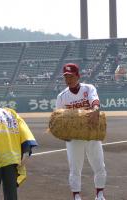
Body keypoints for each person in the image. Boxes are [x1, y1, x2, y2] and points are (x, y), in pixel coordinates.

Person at [55, 63, 107, 200]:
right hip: (74, 138)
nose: (68, 79)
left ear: (78, 76)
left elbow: (94, 100)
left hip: (91, 134)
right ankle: (76, 195)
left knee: (99, 165)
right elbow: (58, 116)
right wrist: (63, 134)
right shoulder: (62, 96)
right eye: (66, 76)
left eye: (71, 76)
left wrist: (95, 109)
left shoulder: (88, 88)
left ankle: (100, 194)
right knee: (75, 168)